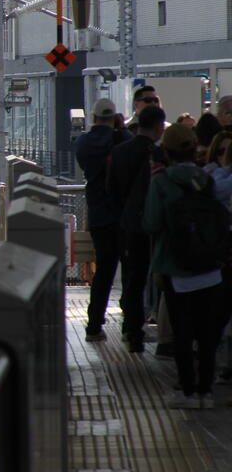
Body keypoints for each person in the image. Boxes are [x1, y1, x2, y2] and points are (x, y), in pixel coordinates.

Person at [143, 124, 231, 409]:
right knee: (206, 333)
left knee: (182, 331)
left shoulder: (162, 181)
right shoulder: (206, 179)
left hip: (175, 265)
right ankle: (205, 391)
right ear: (194, 148)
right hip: (209, 266)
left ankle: (187, 391)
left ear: (166, 150)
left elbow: (151, 223)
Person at [106, 104, 166, 353]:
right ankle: (164, 330)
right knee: (162, 277)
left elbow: (111, 189)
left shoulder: (119, 152)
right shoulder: (159, 154)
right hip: (158, 226)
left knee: (133, 278)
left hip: (129, 224)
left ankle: (133, 330)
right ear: (159, 127)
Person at [75, 98, 132, 341]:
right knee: (132, 270)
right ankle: (130, 325)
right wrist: (121, 129)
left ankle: (94, 324)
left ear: (94, 118)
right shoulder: (122, 139)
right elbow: (132, 148)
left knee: (104, 271)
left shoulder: (83, 143)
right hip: (125, 215)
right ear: (115, 117)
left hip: (99, 214)